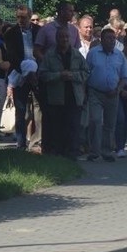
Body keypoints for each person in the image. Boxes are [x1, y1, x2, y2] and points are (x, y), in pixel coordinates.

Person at [39, 26, 89, 158]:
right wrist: (59, 75)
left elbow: (86, 72)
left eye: (67, 37)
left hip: (74, 96)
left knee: (73, 126)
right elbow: (42, 74)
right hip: (56, 98)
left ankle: (72, 153)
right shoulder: (50, 55)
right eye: (61, 37)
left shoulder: (77, 55)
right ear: (57, 39)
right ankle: (57, 153)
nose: (65, 39)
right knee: (57, 127)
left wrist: (73, 76)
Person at [85, 28, 127, 162]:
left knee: (110, 124)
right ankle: (94, 151)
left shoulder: (119, 55)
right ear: (101, 40)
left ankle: (106, 151)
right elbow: (86, 73)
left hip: (113, 93)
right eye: (108, 38)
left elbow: (124, 76)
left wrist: (118, 89)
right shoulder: (93, 53)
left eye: (113, 38)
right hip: (95, 92)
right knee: (96, 120)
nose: (111, 41)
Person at [4, 5, 42, 151]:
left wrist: (35, 72)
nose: (20, 20)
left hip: (37, 74)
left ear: (30, 17)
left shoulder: (39, 31)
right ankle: (21, 143)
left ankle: (37, 141)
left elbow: (42, 51)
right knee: (21, 110)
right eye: (18, 17)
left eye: (24, 17)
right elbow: (12, 56)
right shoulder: (10, 33)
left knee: (39, 110)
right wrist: (26, 72)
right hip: (20, 74)